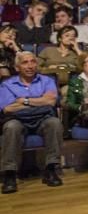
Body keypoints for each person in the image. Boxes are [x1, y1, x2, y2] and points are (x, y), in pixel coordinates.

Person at [0, 52, 63, 193]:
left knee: (54, 123)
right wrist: (39, 101)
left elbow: (51, 101)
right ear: (17, 67)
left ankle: (51, 169)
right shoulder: (7, 84)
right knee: (11, 127)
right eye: (25, 62)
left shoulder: (47, 80)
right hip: (18, 120)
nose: (30, 66)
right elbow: (7, 108)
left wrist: (24, 101)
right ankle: (9, 174)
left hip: (43, 119)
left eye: (32, 61)